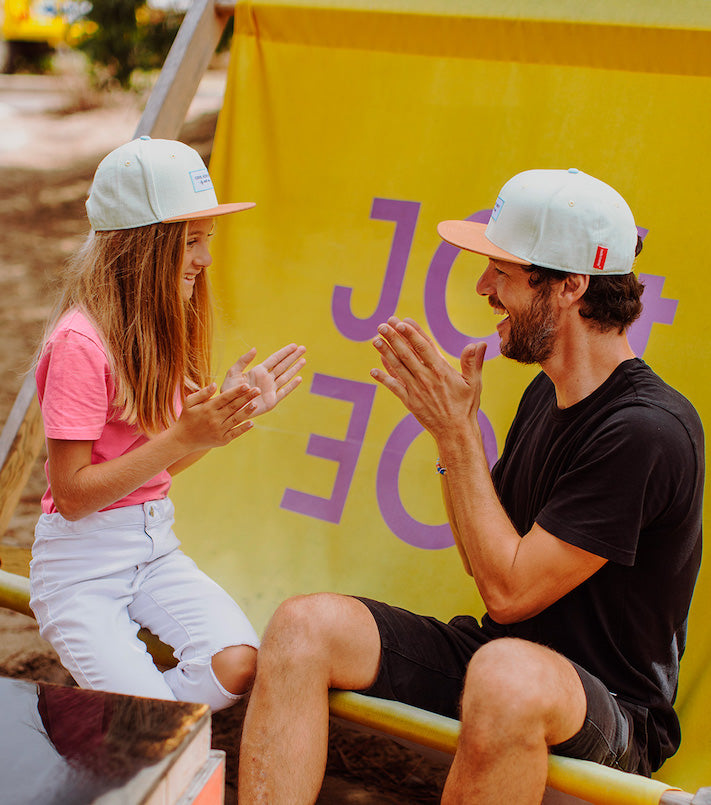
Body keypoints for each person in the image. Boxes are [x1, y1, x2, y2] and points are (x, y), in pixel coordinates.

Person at [237, 168, 704, 803]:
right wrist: (449, 439)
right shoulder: (546, 392)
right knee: (301, 627)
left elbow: (510, 593)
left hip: (611, 713)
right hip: (500, 657)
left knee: (504, 672)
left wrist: (457, 435)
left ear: (571, 286)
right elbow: (490, 568)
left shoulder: (647, 430)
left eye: (503, 272)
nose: (483, 287)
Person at [29, 136, 306, 712]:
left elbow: (154, 469)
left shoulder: (155, 331)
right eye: (192, 241)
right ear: (142, 248)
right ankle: (133, 740)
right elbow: (74, 495)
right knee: (152, 726)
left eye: (207, 240)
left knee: (236, 664)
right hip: (80, 568)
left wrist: (222, 421)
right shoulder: (81, 344)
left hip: (153, 548)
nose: (205, 259)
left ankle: (125, 738)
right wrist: (185, 434)